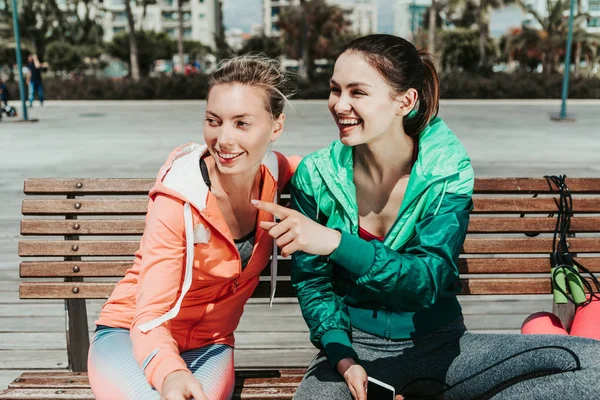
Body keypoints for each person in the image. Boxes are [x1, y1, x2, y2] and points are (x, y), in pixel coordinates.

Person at [253, 34, 600, 400]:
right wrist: (342, 357)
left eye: (358, 92)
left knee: (589, 365)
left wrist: (337, 243)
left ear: (405, 100)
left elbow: (428, 279)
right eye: (335, 89)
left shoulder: (446, 172)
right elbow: (314, 284)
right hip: (353, 354)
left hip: (441, 348)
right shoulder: (316, 175)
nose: (339, 104)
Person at [87, 55, 299, 400]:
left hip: (210, 345)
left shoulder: (278, 171)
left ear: (276, 127)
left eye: (242, 124)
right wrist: (169, 374)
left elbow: (340, 172)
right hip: (131, 334)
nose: (224, 139)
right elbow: (151, 311)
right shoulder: (179, 197)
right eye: (213, 121)